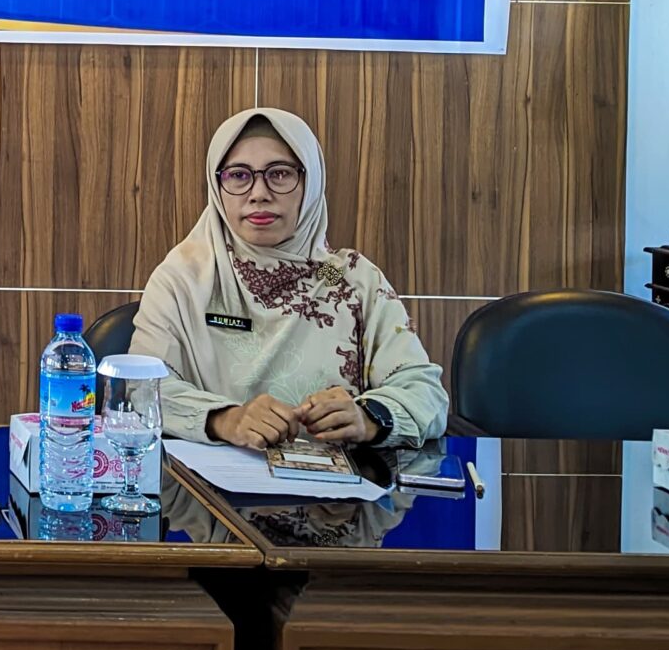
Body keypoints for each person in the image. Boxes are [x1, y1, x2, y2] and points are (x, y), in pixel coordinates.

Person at [132, 106, 445, 450]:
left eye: (280, 174)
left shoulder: (348, 280)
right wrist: (225, 419)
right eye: (238, 175)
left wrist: (368, 418)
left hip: (339, 481)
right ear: (216, 185)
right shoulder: (184, 278)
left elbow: (425, 393)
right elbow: (141, 388)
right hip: (207, 481)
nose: (259, 193)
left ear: (310, 183)